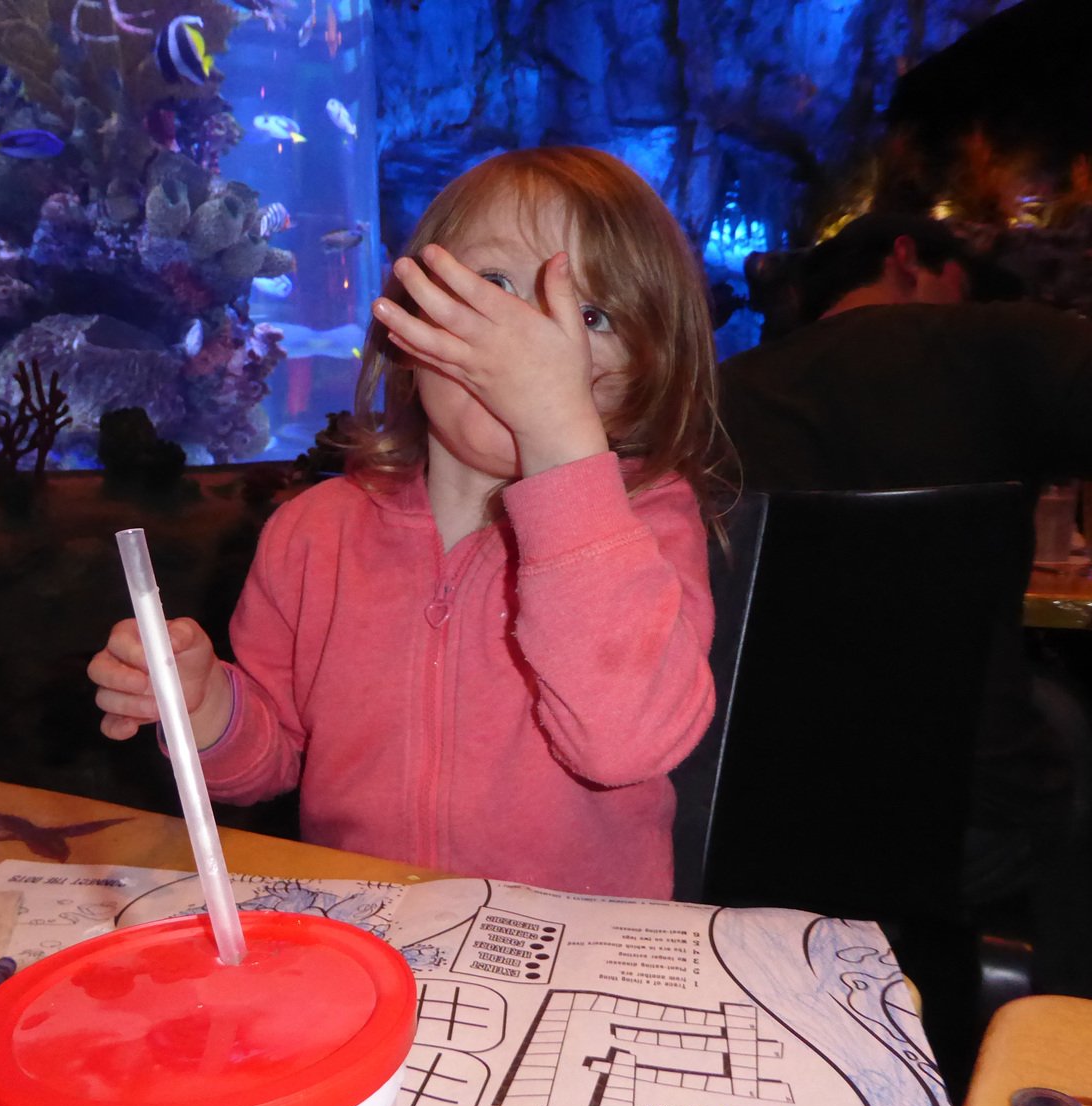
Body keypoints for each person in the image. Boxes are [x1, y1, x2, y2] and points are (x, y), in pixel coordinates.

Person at [90, 146, 729, 899]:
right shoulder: (314, 532)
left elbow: (626, 741)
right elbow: (271, 761)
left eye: (589, 316)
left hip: (575, 947)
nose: (527, 343)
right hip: (371, 929)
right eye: (495, 285)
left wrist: (561, 442)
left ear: (650, 370)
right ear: (409, 321)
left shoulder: (644, 520)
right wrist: (206, 706)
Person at [719, 212, 1092, 985]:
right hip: (958, 823)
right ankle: (1061, 1010)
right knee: (1059, 731)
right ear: (907, 258)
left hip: (743, 819)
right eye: (964, 279)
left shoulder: (720, 396)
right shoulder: (997, 351)